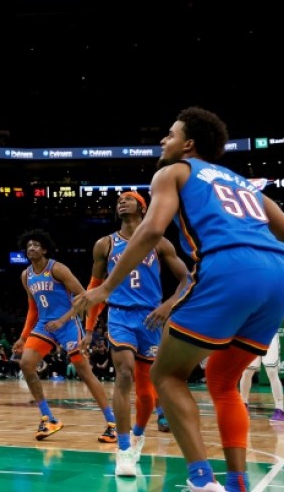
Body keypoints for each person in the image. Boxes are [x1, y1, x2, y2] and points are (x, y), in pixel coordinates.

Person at [73, 107, 284, 492]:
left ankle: (202, 480)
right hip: (280, 276)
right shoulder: (243, 184)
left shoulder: (173, 171)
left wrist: (106, 288)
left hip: (230, 266)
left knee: (167, 375)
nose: (163, 141)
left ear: (188, 144)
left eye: (170, 135)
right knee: (222, 380)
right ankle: (237, 482)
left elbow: (152, 229)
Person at [84, 191, 190, 476]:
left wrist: (168, 306)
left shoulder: (158, 242)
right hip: (119, 315)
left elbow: (187, 279)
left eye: (128, 198)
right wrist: (89, 329)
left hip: (151, 318)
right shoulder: (104, 244)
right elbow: (95, 287)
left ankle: (138, 437)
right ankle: (123, 449)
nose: (121, 201)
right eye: (118, 199)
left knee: (147, 392)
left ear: (143, 208)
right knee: (124, 374)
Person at [13, 229, 117, 443]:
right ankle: (48, 418)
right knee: (26, 364)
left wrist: (63, 319)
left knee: (84, 372)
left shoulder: (57, 269)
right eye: (28, 245)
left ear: (44, 249)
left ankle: (112, 423)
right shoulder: (26, 275)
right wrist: (23, 337)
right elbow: (33, 309)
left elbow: (83, 297)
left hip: (68, 323)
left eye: (35, 245)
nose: (31, 248)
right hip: (44, 325)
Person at [239, 311, 284, 422]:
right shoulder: (248, 296)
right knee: (247, 372)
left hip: (270, 337)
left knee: (272, 372)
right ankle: (243, 405)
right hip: (251, 336)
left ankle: (280, 409)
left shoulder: (274, 295)